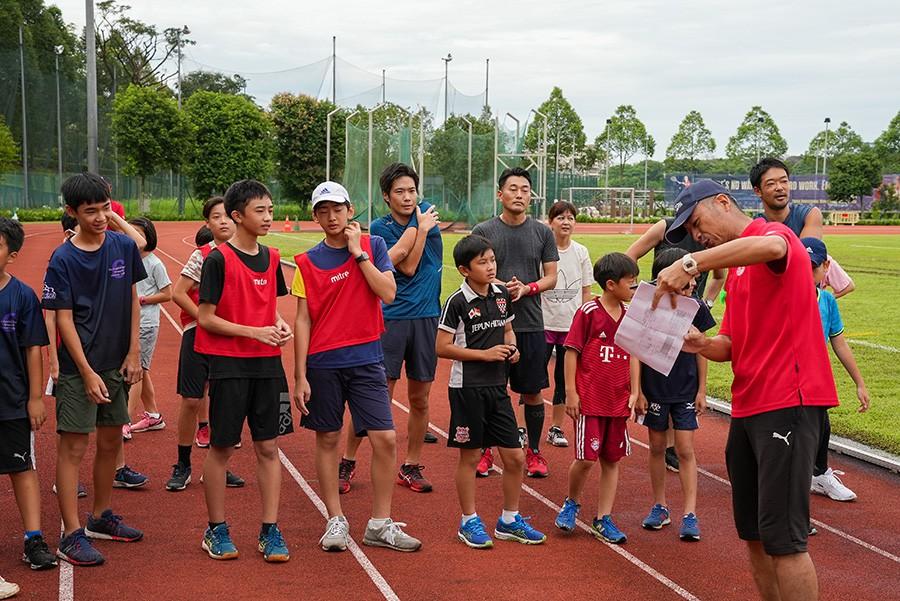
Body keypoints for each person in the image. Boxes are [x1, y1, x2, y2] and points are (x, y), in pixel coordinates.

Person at [655, 179, 839, 601]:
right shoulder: (737, 273)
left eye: (696, 223)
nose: (697, 236)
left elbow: (772, 249)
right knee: (754, 535)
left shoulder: (772, 236)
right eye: (689, 234)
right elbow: (732, 344)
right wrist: (700, 344)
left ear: (723, 202)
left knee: (785, 540)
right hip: (748, 406)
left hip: (788, 401)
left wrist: (690, 264)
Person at [293, 181, 421, 553]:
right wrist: (299, 375)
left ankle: (379, 523)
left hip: (366, 359)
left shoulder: (373, 246)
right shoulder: (306, 262)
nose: (331, 217)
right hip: (323, 362)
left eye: (338, 209)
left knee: (385, 438)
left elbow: (388, 292)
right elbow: (302, 319)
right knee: (328, 439)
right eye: (323, 211)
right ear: (315, 216)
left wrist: (358, 254)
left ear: (350, 210)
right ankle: (335, 517)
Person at [43, 172, 146, 566]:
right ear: (72, 212)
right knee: (72, 448)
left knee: (110, 442)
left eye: (105, 208)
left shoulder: (123, 246)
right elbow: (63, 319)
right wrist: (85, 372)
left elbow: (134, 299)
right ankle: (70, 534)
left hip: (116, 362)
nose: (101, 217)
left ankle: (101, 517)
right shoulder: (63, 258)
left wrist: (134, 352)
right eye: (91, 211)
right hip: (78, 368)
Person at [195, 180, 293, 562]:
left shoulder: (272, 257)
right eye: (260, 211)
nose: (268, 217)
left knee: (269, 447)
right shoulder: (217, 260)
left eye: (270, 210)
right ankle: (216, 528)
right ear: (237, 216)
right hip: (229, 366)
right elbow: (206, 317)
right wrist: (255, 331)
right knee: (222, 447)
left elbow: (268, 305)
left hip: (268, 365)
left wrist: (278, 324)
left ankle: (270, 529)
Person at [437, 235, 546, 549]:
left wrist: (513, 348)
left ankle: (509, 520)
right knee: (471, 456)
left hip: (498, 388)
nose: (490, 266)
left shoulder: (502, 295)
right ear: (464, 269)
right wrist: (484, 355)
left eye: (492, 260)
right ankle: (468, 520)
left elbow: (508, 330)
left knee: (514, 456)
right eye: (482, 262)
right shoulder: (457, 302)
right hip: (467, 389)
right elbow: (441, 347)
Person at [341, 163, 442, 494]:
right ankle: (347, 460)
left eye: (412, 190)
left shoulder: (428, 219)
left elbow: (409, 262)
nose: (407, 197)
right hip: (390, 317)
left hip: (426, 316)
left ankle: (411, 465)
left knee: (420, 398)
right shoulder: (380, 228)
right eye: (399, 191)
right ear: (386, 196)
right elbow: (407, 266)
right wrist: (419, 230)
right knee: (377, 394)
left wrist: (422, 229)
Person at [472, 167, 558, 478]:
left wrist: (527, 288)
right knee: (489, 391)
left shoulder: (542, 233)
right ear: (500, 194)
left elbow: (551, 277)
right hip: (490, 325)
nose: (519, 194)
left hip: (530, 323)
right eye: (513, 188)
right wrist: (498, 287)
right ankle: (485, 451)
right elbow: (472, 273)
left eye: (524, 189)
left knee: (532, 392)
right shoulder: (483, 231)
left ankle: (533, 451)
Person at [626, 215, 726, 473]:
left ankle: (672, 445)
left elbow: (719, 275)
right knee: (660, 374)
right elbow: (631, 255)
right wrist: (641, 293)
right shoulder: (665, 226)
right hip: (660, 308)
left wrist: (706, 303)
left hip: (688, 311)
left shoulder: (709, 234)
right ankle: (666, 443)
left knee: (682, 369)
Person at [554, 252, 641, 544]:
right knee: (586, 459)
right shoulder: (589, 312)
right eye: (631, 282)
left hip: (618, 401)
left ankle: (604, 518)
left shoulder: (629, 315)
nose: (635, 287)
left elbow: (634, 355)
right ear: (611, 284)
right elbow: (571, 351)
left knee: (612, 460)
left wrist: (635, 391)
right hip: (591, 400)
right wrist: (571, 392)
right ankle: (572, 502)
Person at [166, 198, 244, 492]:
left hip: (231, 336)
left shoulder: (245, 254)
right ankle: (183, 464)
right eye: (216, 217)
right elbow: (178, 293)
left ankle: (218, 465)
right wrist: (204, 318)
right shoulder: (201, 255)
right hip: (197, 333)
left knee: (224, 401)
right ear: (207, 224)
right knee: (191, 399)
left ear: (237, 218)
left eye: (227, 216)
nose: (223, 221)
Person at [638, 247, 715, 542]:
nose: (693, 283)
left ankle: (690, 513)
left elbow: (702, 349)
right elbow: (637, 350)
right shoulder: (649, 306)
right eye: (688, 278)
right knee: (657, 447)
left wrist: (702, 390)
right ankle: (660, 506)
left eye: (694, 278)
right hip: (656, 389)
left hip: (685, 389)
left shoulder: (696, 307)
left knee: (684, 450)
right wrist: (638, 391)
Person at [0, 218, 57, 570]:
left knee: (22, 468)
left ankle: (33, 539)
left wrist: (35, 397)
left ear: (12, 255)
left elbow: (33, 349)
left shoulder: (22, 296)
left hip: (11, 400)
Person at [801, 237, 870, 501]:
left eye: (813, 267)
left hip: (816, 377)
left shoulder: (828, 301)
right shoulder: (784, 298)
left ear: (826, 267)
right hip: (786, 377)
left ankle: (819, 475)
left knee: (822, 426)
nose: (807, 273)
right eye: (801, 267)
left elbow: (839, 343)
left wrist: (859, 383)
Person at [752, 157, 854, 298]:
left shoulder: (809, 214)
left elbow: (803, 260)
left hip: (803, 298)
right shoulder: (756, 224)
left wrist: (826, 300)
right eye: (771, 184)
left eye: (784, 181)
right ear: (758, 191)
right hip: (772, 299)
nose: (780, 187)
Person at [541, 201, 593, 448]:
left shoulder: (581, 252)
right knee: (533, 378)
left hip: (570, 328)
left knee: (564, 380)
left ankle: (555, 428)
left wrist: (584, 323)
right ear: (550, 222)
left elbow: (586, 291)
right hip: (543, 323)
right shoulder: (542, 250)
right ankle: (522, 428)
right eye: (560, 217)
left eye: (570, 217)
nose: (566, 222)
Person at [122, 217, 170, 440]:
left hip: (146, 323)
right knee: (142, 370)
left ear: (148, 237)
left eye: (138, 233)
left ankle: (125, 420)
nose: (133, 237)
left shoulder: (154, 263)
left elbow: (168, 294)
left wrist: (142, 299)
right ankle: (153, 415)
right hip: (129, 322)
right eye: (129, 232)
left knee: (136, 371)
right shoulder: (128, 259)